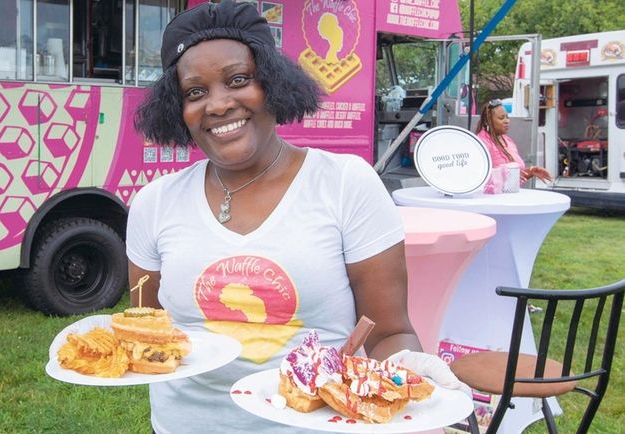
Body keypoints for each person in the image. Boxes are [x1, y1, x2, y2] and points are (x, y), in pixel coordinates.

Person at [129, 2, 469, 432]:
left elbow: (386, 333)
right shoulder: (153, 203)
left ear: (272, 82)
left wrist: (405, 372)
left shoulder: (346, 184)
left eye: (238, 80)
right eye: (195, 92)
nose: (217, 104)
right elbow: (147, 329)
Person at [476, 99, 552, 184]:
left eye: (507, 117)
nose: (507, 121)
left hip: (511, 195)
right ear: (488, 121)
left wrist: (531, 172)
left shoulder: (508, 141)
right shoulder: (481, 143)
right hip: (492, 197)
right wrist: (508, 175)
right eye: (501, 118)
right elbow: (477, 176)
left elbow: (517, 177)